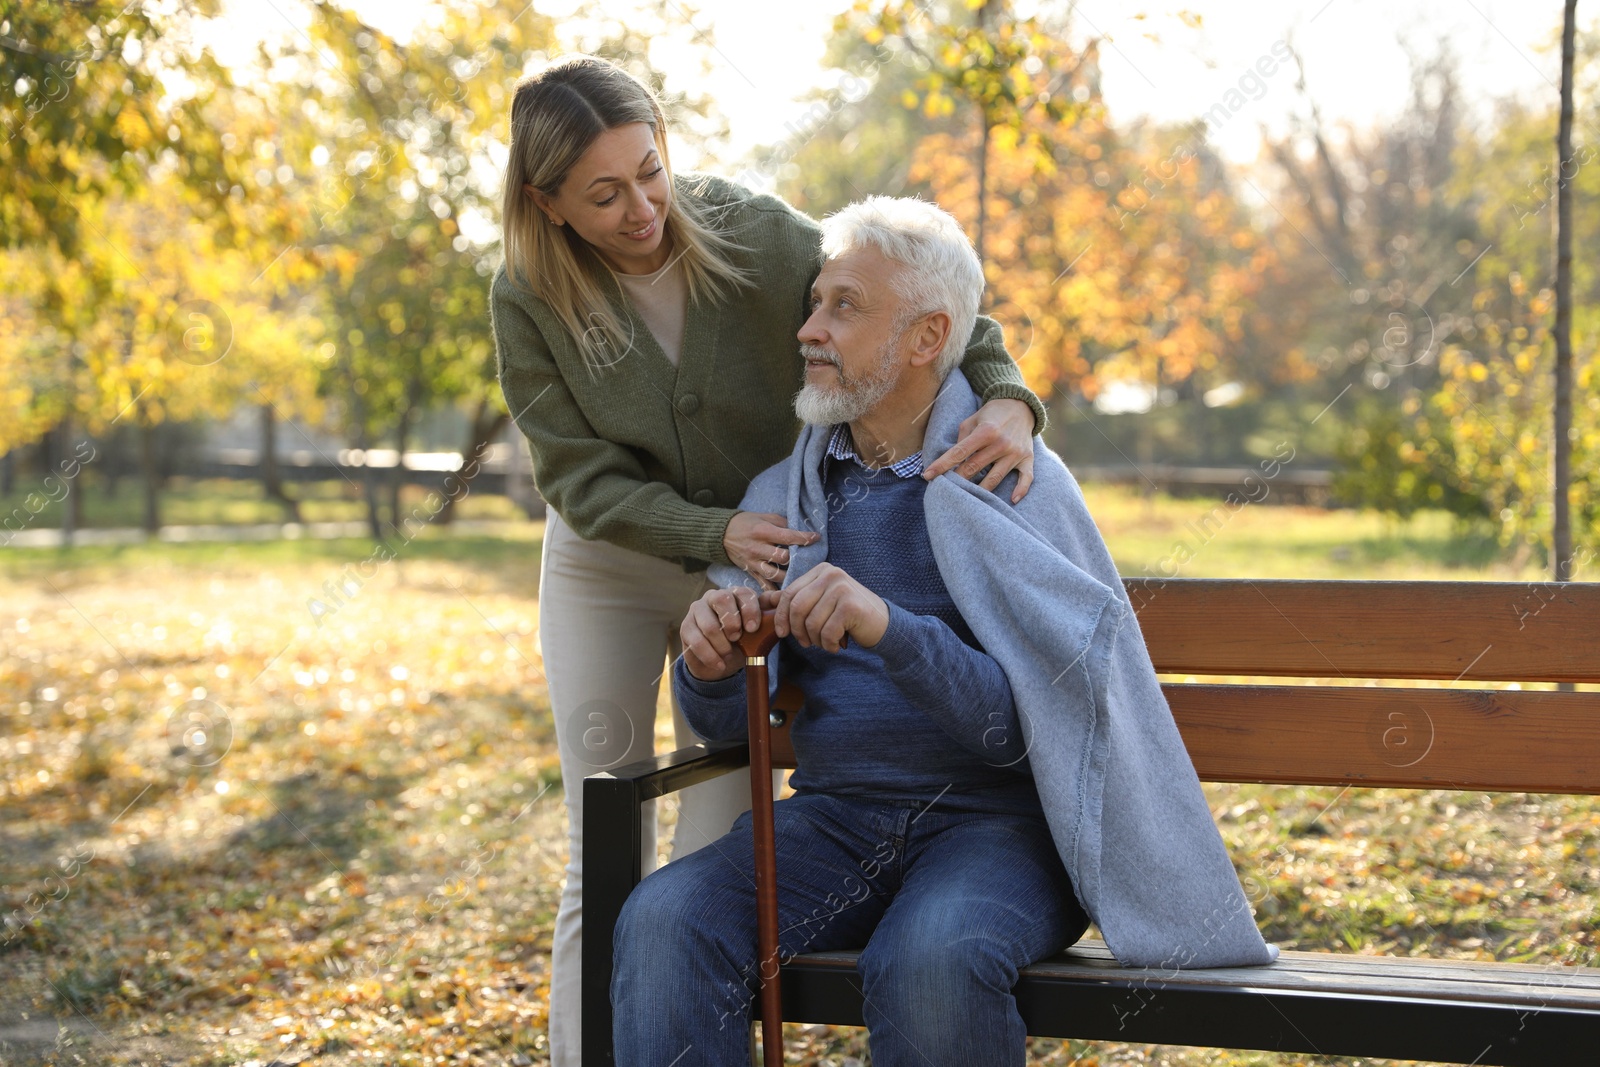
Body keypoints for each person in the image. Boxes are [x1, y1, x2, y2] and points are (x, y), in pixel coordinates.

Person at [610, 196, 1275, 1066]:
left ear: (927, 338)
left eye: (843, 306)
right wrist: (710, 662)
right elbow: (733, 727)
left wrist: (891, 628)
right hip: (838, 822)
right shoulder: (784, 493)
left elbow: (1028, 731)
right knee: (665, 920)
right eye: (815, 301)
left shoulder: (1012, 483)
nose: (809, 329)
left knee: (931, 962)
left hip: (999, 831)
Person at [489, 55, 1049, 1066]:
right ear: (548, 201)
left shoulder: (746, 229)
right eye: (604, 194)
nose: (641, 207)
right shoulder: (530, 292)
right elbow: (575, 474)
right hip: (621, 551)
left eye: (649, 171)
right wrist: (710, 541)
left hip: (770, 542)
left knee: (716, 840)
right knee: (604, 841)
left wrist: (1008, 393)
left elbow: (921, 295)